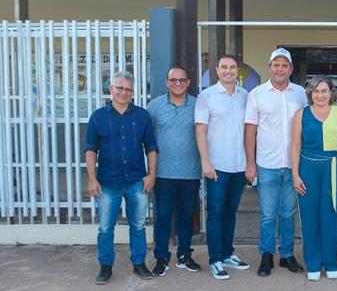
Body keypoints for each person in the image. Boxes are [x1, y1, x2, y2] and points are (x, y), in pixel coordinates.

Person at [85, 71, 157, 284]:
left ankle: (139, 263)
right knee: (106, 227)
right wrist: (91, 178)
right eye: (120, 88)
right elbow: (91, 149)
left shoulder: (142, 116)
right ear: (110, 89)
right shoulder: (98, 117)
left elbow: (151, 148)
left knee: (138, 225)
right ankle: (106, 266)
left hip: (137, 181)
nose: (124, 93)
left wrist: (151, 175)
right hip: (108, 182)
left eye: (129, 89)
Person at [244, 48, 306, 276]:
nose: (280, 69)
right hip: (267, 164)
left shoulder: (300, 93)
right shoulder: (257, 94)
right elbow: (250, 130)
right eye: (276, 65)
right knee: (268, 214)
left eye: (284, 65)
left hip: (293, 165)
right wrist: (250, 163)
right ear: (269, 67)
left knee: (288, 214)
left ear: (291, 69)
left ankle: (287, 255)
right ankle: (267, 255)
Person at [291, 75, 337, 281]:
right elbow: (295, 146)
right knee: (309, 217)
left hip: (334, 167)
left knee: (331, 216)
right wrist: (295, 175)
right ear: (310, 93)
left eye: (324, 91)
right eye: (316, 91)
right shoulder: (301, 114)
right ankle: (312, 263)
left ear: (332, 93)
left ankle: (330, 262)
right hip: (308, 167)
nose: (320, 95)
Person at [195, 54, 251, 280]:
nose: (228, 71)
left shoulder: (245, 95)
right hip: (216, 166)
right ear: (217, 70)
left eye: (233, 67)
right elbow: (200, 130)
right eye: (224, 67)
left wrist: (249, 162)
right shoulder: (206, 96)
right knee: (216, 214)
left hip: (239, 165)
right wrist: (206, 162)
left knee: (230, 212)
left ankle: (227, 253)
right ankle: (215, 259)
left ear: (238, 71)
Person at [148, 66, 202, 277]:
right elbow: (147, 140)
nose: (177, 83)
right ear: (167, 82)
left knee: (186, 216)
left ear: (188, 83)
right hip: (162, 173)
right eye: (173, 80)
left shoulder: (198, 106)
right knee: (162, 217)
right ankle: (161, 257)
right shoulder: (154, 107)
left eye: (182, 80)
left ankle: (184, 255)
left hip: (190, 172)